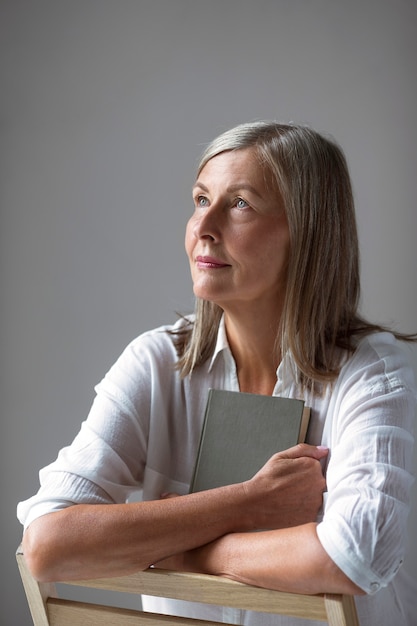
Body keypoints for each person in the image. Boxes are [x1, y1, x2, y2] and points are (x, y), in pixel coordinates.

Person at [18, 121, 417, 625]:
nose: (204, 228)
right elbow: (48, 544)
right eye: (202, 199)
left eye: (241, 204)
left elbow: (357, 555)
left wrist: (192, 550)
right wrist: (248, 503)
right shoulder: (157, 362)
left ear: (308, 231)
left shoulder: (372, 371)